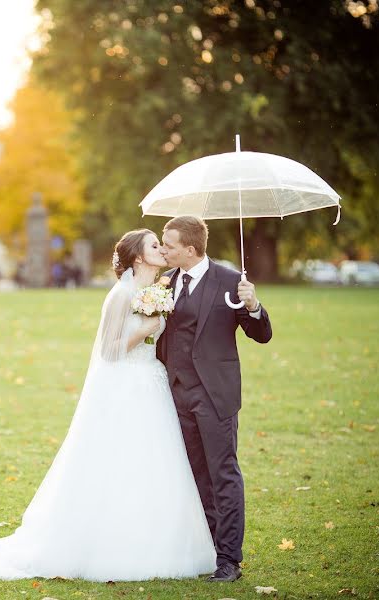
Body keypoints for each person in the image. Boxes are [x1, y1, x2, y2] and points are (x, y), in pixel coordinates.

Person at [0, 229, 216, 582]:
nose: (162, 249)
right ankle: (112, 544)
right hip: (126, 386)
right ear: (139, 258)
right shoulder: (121, 295)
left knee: (155, 460)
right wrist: (147, 327)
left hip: (152, 383)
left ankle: (159, 540)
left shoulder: (156, 290)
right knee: (121, 460)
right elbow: (109, 350)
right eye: (154, 246)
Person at [157, 215, 272, 582]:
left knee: (223, 474)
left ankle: (228, 560)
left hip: (215, 395)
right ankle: (206, 546)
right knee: (194, 475)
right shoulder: (165, 281)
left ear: (190, 249)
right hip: (174, 394)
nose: (163, 249)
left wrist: (252, 306)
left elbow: (261, 333)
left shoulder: (230, 281)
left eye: (169, 244)